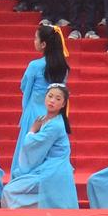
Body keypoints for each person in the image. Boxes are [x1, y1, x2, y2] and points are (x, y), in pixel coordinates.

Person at [3, 83, 78, 209]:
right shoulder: (47, 120)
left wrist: (32, 131)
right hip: (48, 167)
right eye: (50, 96)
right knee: (14, 186)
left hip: (54, 170)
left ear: (63, 104)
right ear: (45, 97)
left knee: (10, 191)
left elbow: (33, 146)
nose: (52, 101)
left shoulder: (55, 125)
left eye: (58, 99)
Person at [15, 22, 69, 173]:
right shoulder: (63, 66)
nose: (34, 41)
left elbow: (24, 86)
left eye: (36, 38)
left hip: (34, 113)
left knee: (28, 149)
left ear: (44, 44)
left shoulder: (35, 65)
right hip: (54, 115)